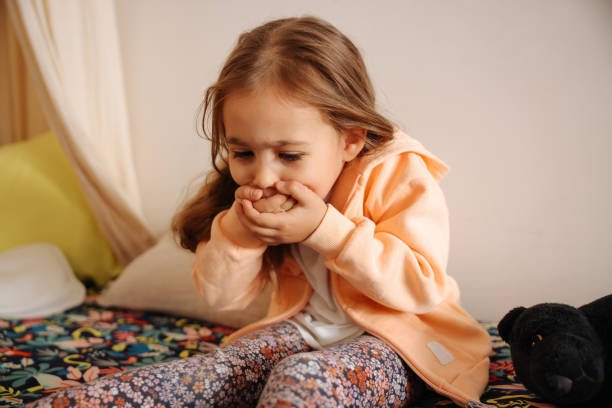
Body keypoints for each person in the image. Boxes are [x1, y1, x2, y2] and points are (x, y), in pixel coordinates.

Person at [27, 16, 491, 408]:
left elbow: (422, 287)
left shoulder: (397, 172)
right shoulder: (246, 188)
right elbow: (219, 298)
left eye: (289, 156)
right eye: (243, 152)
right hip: (302, 331)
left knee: (301, 381)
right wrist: (237, 236)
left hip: (398, 345)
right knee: (196, 375)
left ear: (349, 139)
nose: (263, 176)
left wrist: (326, 230)